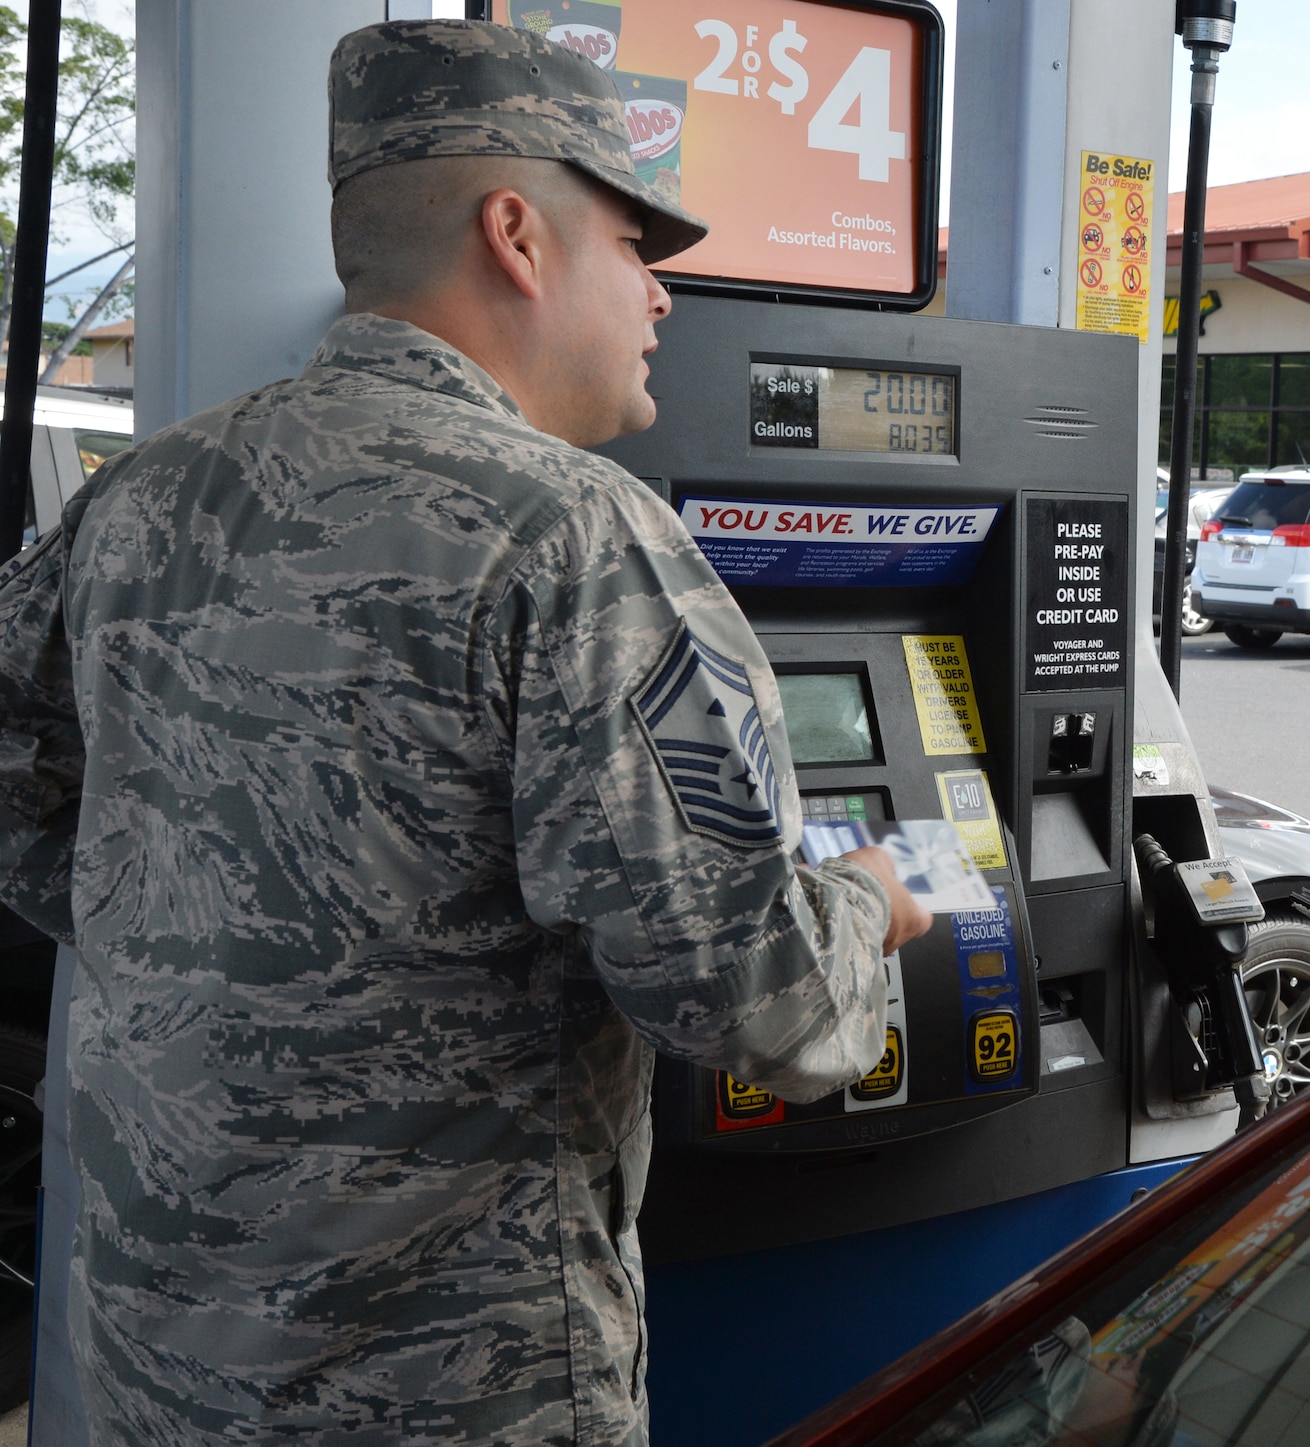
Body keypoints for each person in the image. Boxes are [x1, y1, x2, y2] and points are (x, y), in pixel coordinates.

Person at [0, 19, 929, 1444]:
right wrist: (861, 911)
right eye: (636, 242)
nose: (662, 294)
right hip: (453, 1389)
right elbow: (763, 1004)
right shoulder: (574, 536)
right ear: (517, 232)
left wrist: (182, 934)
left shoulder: (141, 497)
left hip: (162, 1361)